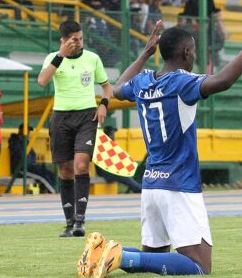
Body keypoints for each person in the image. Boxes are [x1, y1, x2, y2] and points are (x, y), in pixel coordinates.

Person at [76, 4, 242, 278]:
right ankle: (120, 254)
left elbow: (117, 89)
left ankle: (102, 252)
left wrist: (145, 53)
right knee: (199, 265)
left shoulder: (143, 82)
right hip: (179, 184)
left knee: (153, 261)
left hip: (152, 184)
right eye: (193, 51)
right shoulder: (183, 83)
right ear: (186, 52)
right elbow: (224, 81)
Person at [37, 20, 113, 238]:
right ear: (63, 40)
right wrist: (60, 55)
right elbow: (42, 80)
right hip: (60, 118)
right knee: (65, 170)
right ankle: (69, 223)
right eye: (74, 39)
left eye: (81, 38)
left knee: (81, 165)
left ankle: (80, 222)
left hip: (86, 116)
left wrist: (103, 104)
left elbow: (107, 87)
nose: (79, 43)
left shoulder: (92, 58)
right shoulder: (53, 58)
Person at [94, 126, 142, 193]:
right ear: (108, 134)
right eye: (112, 134)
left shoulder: (110, 143)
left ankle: (138, 187)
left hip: (109, 169)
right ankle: (138, 188)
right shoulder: (103, 143)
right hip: (104, 171)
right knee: (122, 175)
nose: (113, 135)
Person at [8, 124, 55, 192]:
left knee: (49, 173)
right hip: (20, 169)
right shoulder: (14, 141)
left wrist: (32, 163)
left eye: (29, 131)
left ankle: (59, 190)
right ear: (21, 130)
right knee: (43, 175)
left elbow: (33, 154)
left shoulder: (26, 141)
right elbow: (19, 155)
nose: (28, 133)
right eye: (26, 131)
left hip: (30, 166)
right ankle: (53, 191)